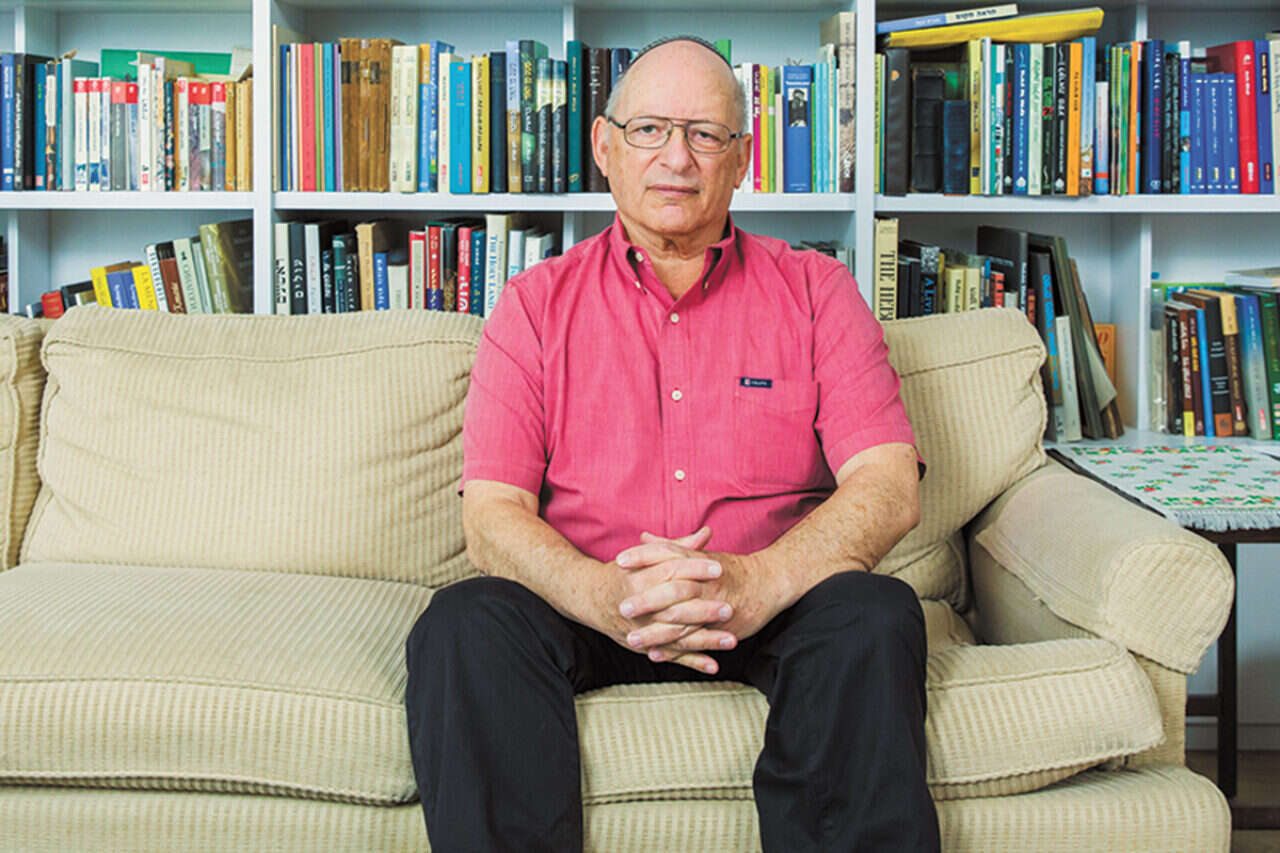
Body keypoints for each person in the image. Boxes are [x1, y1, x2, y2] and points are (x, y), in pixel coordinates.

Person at [404, 34, 940, 853]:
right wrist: (604, 596)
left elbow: (889, 484)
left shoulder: (818, 292)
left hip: (774, 602)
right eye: (650, 129)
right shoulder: (533, 306)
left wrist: (756, 582)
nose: (677, 159)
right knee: (462, 625)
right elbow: (492, 516)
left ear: (743, 158)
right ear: (604, 146)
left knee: (874, 615)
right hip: (589, 603)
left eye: (705, 134)